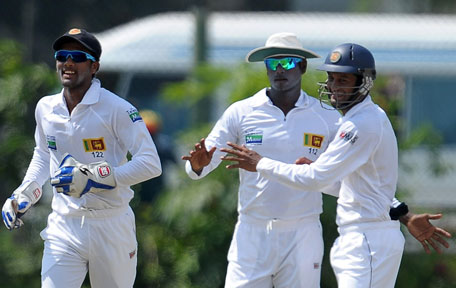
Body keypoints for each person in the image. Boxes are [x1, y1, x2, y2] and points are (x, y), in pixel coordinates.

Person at [220, 43, 452, 287]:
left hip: (369, 238)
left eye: (343, 80)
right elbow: (353, 188)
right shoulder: (358, 119)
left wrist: (260, 163)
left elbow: (315, 178)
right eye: (331, 78)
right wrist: (405, 215)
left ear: (364, 82)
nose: (333, 87)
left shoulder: (361, 124)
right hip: (359, 237)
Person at [183, 32, 349, 288]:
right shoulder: (241, 112)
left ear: (302, 66)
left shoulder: (326, 116)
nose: (279, 70)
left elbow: (347, 174)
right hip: (252, 231)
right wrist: (198, 163)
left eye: (287, 63)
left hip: (303, 233)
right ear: (266, 68)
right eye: (273, 63)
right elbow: (202, 164)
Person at [1, 28, 162, 288]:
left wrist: (95, 177)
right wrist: (24, 192)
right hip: (65, 225)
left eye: (77, 56)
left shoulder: (118, 109)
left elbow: (150, 164)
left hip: (111, 225)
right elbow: (43, 156)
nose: (68, 62)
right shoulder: (45, 108)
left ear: (94, 66)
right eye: (62, 55)